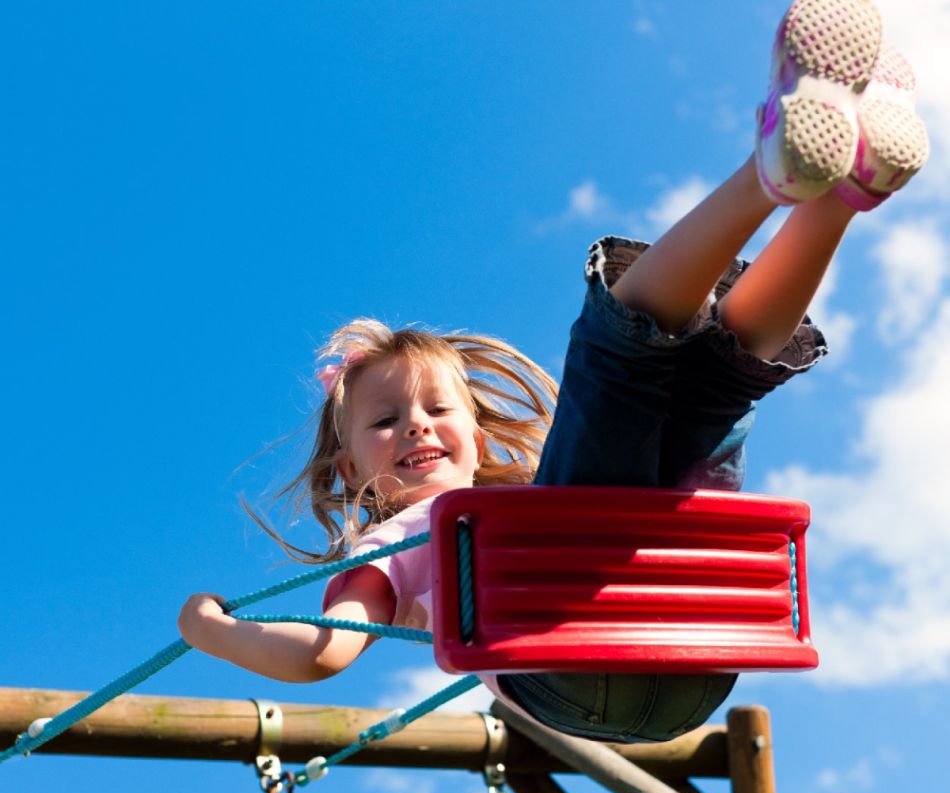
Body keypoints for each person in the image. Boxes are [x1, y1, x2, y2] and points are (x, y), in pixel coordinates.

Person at [179, 0, 929, 741]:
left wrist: (215, 630)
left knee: (718, 375)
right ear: (350, 467)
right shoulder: (397, 537)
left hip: (682, 644)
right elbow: (321, 654)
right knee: (618, 356)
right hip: (592, 656)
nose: (415, 425)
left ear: (474, 431)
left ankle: (841, 193)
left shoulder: (525, 496)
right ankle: (769, 172)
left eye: (438, 410)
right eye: (385, 421)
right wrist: (212, 630)